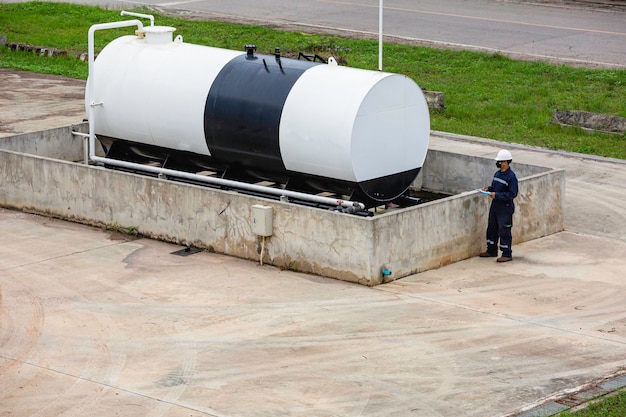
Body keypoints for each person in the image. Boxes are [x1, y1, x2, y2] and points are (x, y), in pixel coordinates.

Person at [479, 149, 518, 262]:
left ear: (506, 162)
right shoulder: (497, 174)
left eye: (501, 162)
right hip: (495, 206)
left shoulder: (511, 177)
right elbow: (494, 187)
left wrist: (497, 195)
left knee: (504, 229)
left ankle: (506, 253)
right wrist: (488, 189)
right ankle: (491, 249)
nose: (499, 164)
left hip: (505, 208)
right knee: (492, 227)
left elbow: (512, 193)